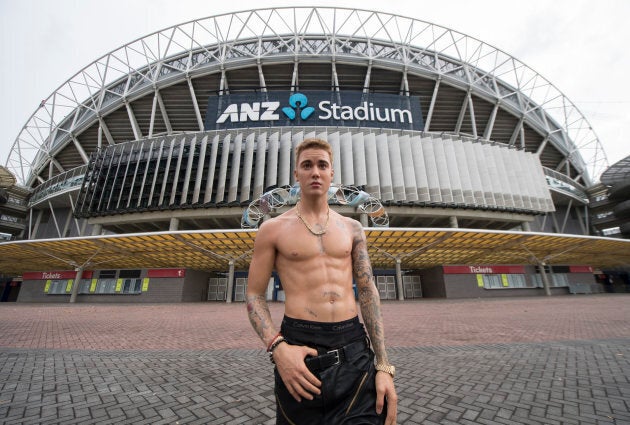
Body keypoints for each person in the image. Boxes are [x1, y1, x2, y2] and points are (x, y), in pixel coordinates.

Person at [246, 138, 397, 424]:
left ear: (331, 173)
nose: (315, 171)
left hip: (354, 349)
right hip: (300, 352)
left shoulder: (352, 228)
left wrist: (383, 365)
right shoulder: (272, 229)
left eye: (322, 165)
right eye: (307, 165)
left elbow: (367, 293)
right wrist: (277, 348)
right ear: (297, 174)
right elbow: (254, 295)